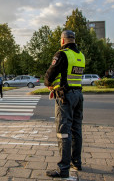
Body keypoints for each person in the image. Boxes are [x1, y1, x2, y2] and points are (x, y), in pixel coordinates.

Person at [44, 30, 86, 178]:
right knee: (76, 130)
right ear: (73, 40)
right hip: (78, 96)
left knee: (63, 132)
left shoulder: (62, 54)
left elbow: (49, 76)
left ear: (63, 40)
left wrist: (49, 85)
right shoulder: (80, 55)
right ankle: (77, 162)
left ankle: (63, 169)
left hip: (65, 97)